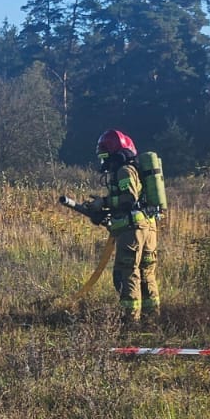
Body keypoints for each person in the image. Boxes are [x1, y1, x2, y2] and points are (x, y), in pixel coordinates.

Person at [72, 129, 160, 324]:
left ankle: (130, 320)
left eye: (105, 156)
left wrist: (103, 202)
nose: (103, 161)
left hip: (134, 231)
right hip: (147, 228)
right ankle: (151, 318)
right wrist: (101, 210)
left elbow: (128, 199)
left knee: (127, 271)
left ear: (115, 153)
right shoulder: (132, 169)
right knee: (146, 272)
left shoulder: (124, 170)